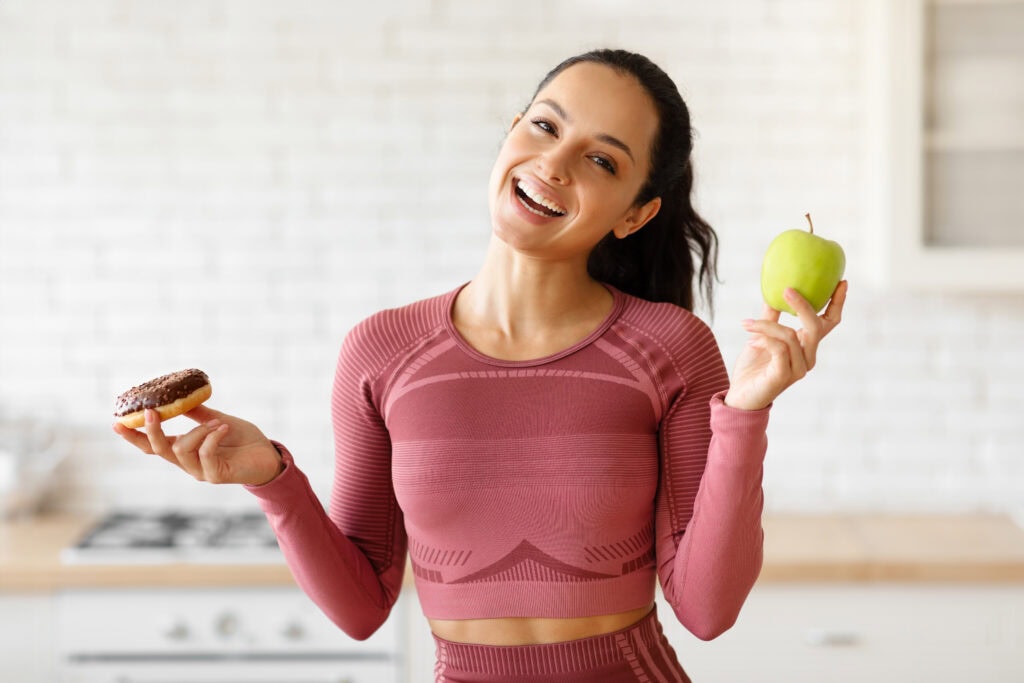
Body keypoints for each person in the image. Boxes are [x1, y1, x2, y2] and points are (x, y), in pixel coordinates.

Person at [114, 48, 847, 682]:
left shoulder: (671, 347)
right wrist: (274, 480)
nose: (553, 163)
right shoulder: (383, 351)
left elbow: (708, 609)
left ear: (634, 213)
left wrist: (746, 413)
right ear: (511, 132)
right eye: (544, 125)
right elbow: (362, 607)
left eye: (600, 159)